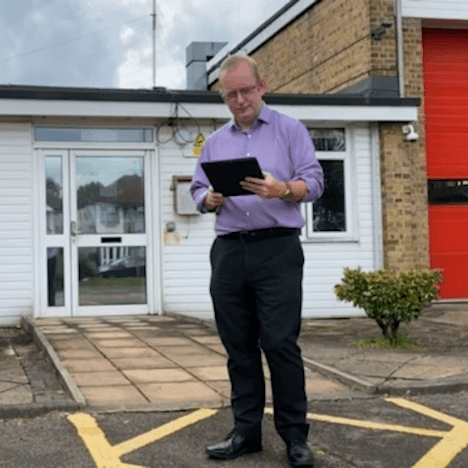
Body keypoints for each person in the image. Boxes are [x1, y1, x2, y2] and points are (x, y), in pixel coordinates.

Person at [190, 55, 323, 468]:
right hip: (229, 251)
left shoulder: (289, 130)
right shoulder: (215, 143)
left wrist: (283, 189)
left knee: (280, 344)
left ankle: (295, 437)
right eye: (231, 94)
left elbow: (316, 181)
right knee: (238, 347)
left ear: (262, 86)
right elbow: (197, 190)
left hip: (277, 249)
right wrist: (206, 199)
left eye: (246, 90)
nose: (240, 100)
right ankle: (245, 432)